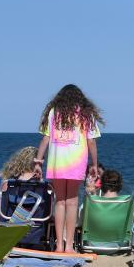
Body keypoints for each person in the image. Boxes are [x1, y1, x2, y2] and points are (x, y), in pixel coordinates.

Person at [33, 84, 104, 252]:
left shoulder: (53, 113)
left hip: (57, 162)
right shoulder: (86, 114)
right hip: (76, 162)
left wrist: (38, 162)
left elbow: (45, 139)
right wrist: (94, 164)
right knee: (72, 203)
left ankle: (58, 245)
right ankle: (69, 246)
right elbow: (91, 141)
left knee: (60, 202)